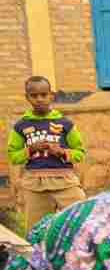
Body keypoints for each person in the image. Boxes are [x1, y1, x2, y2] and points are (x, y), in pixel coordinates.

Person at [10, 75, 86, 228]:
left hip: (65, 183)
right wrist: (31, 149)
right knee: (36, 229)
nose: (39, 99)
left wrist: (61, 151)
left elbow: (80, 153)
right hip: (35, 186)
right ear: (27, 98)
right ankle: (39, 252)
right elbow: (14, 156)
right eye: (34, 96)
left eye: (44, 95)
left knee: (80, 222)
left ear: (51, 95)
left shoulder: (65, 123)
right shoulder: (21, 126)